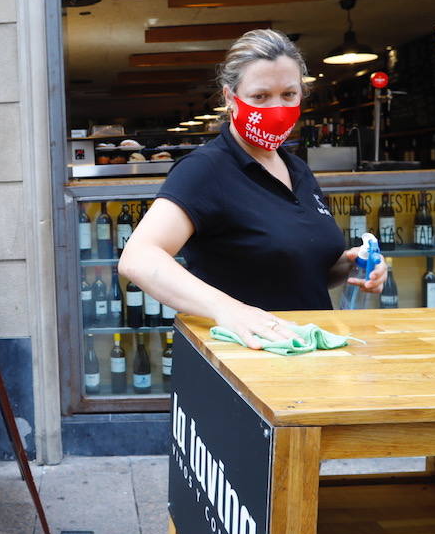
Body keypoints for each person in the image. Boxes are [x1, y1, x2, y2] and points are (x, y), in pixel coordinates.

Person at [118, 29, 386, 349]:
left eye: (288, 94)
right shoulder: (206, 169)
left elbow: (296, 270)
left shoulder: (297, 169)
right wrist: (229, 310)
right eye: (260, 96)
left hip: (307, 351)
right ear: (231, 98)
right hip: (245, 360)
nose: (276, 108)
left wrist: (349, 265)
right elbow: (138, 258)